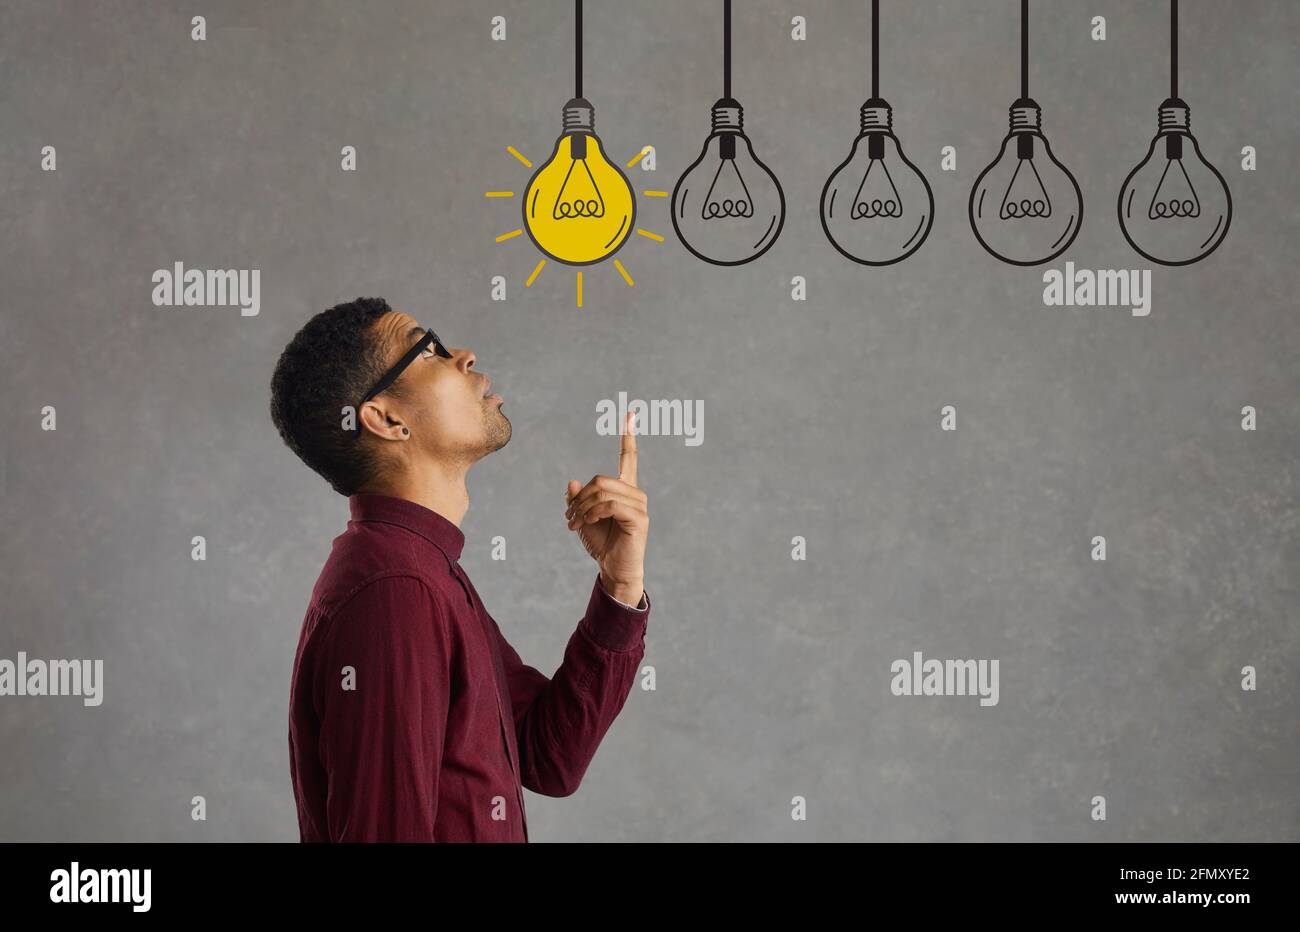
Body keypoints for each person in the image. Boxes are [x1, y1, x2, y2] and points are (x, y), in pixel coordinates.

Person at [269, 297, 650, 842]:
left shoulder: (422, 570)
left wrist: (619, 584)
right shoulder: (396, 591)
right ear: (385, 418)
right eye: (428, 351)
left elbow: (548, 757)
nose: (464, 357)